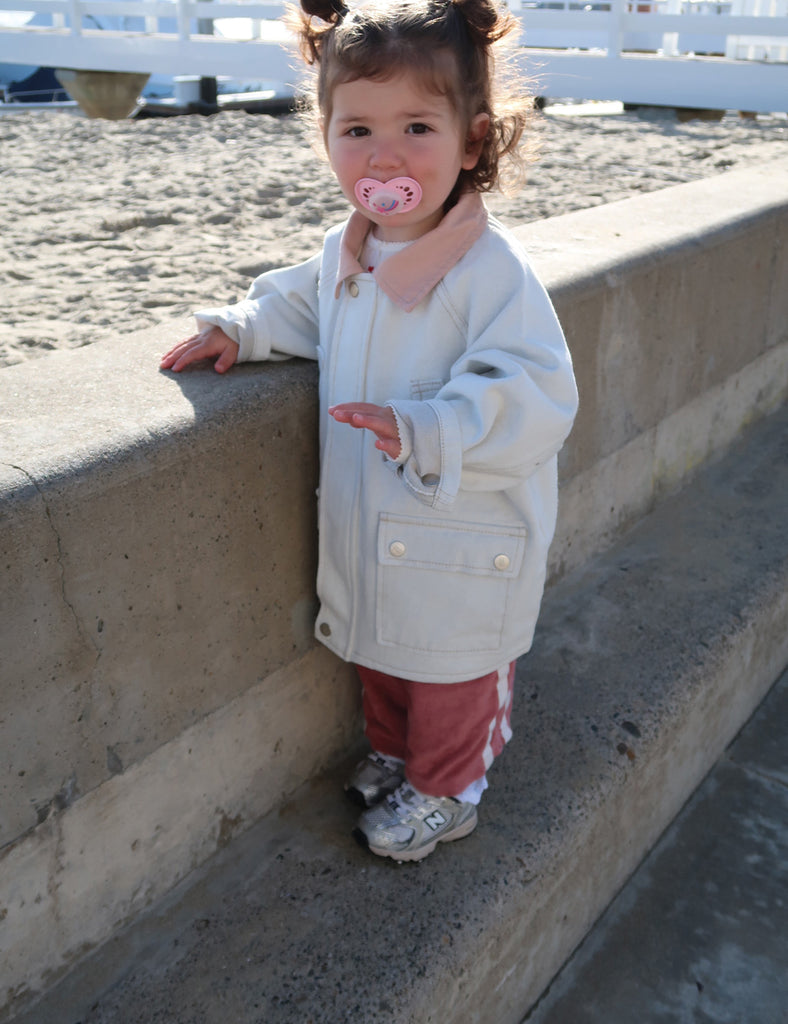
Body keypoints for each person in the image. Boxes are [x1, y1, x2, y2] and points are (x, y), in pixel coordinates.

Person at [160, 0, 578, 863]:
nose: (382, 156)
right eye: (356, 130)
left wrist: (430, 428)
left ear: (472, 141)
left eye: (416, 126)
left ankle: (450, 790)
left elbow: (534, 389)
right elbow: (304, 307)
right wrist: (241, 329)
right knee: (382, 652)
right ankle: (397, 756)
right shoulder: (345, 251)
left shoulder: (489, 271)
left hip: (462, 526)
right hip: (374, 525)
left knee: (453, 667)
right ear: (324, 136)